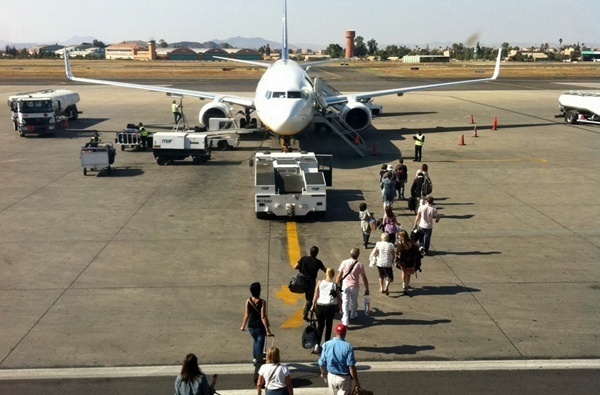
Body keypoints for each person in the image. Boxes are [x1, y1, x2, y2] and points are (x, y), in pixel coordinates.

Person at [318, 324, 362, 395]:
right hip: (344, 379)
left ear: (335, 332)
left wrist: (323, 373)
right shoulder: (348, 347)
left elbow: (322, 363)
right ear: (345, 333)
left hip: (331, 377)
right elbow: (351, 367)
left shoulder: (326, 344)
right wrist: (357, 382)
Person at [335, 248, 369, 326]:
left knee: (345, 302)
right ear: (358, 255)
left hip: (345, 285)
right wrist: (367, 288)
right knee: (354, 301)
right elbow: (364, 277)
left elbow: (339, 275)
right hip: (355, 286)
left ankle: (345, 320)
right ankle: (353, 314)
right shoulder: (360, 265)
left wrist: (335, 284)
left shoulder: (344, 262)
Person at [311, 268, 341, 354]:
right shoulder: (334, 285)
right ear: (333, 275)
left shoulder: (320, 282)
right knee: (328, 326)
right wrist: (341, 309)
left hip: (319, 306)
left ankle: (317, 345)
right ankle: (326, 346)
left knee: (320, 326)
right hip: (330, 307)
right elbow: (338, 298)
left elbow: (316, 295)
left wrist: (313, 305)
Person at [241, 282, 273, 364]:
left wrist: (243, 326)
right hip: (259, 327)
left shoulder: (248, 301)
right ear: (259, 291)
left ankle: (254, 359)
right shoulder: (262, 302)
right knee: (260, 344)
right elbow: (263, 317)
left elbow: (246, 314)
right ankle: (258, 361)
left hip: (251, 326)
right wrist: (267, 330)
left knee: (256, 342)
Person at [293, 246, 326, 321]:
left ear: (310, 252)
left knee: (307, 298)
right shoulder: (318, 262)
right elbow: (324, 270)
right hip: (311, 283)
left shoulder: (304, 259)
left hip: (301, 281)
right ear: (317, 253)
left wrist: (302, 268)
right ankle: (305, 313)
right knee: (309, 299)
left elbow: (295, 267)